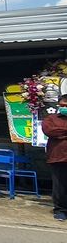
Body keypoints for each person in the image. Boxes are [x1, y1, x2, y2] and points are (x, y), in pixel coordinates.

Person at [40, 94, 67, 222]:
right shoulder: (50, 119)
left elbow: (57, 132)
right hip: (58, 157)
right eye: (62, 105)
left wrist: (60, 133)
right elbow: (49, 131)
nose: (64, 107)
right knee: (60, 186)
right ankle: (60, 210)